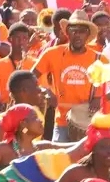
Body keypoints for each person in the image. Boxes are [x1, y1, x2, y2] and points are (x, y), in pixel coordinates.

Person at [33, 9, 100, 142]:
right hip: (61, 121)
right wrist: (45, 90)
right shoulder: (51, 54)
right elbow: (29, 78)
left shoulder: (98, 58)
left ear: (88, 35)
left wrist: (98, 97)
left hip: (88, 122)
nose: (77, 35)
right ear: (67, 32)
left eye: (82, 31)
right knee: (58, 159)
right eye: (73, 30)